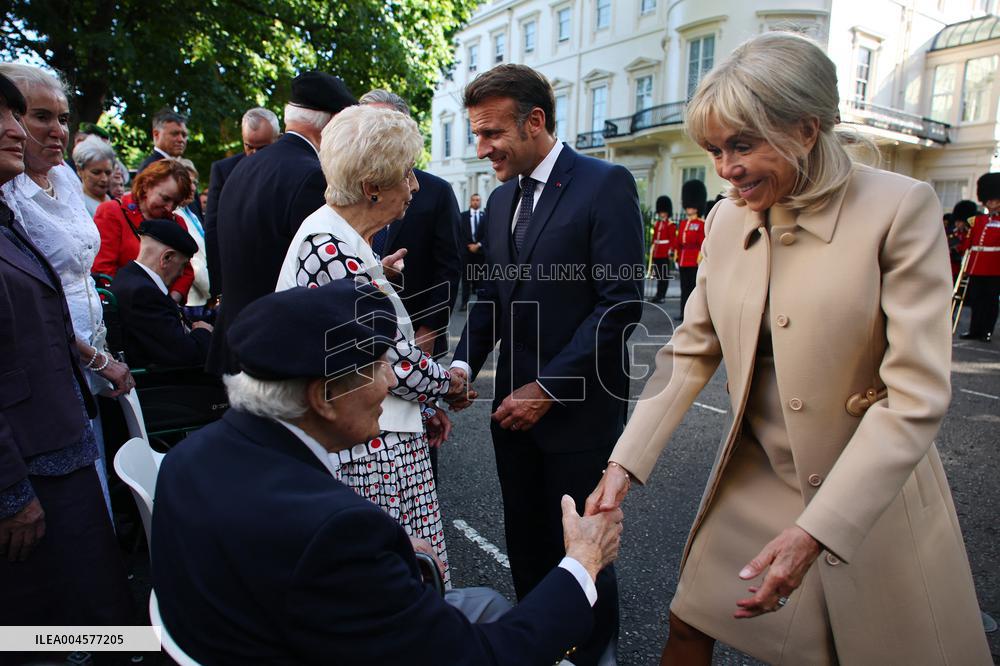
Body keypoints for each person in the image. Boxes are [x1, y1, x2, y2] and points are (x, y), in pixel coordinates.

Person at [585, 32, 992, 666]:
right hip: (757, 473)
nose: (725, 169)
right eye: (715, 150)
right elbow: (692, 351)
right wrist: (623, 466)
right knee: (688, 623)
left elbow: (917, 393)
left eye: (741, 145)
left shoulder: (899, 208)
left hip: (867, 484)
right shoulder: (724, 219)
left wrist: (816, 532)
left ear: (806, 128)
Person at [152, 279, 624, 665]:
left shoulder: (189, 459)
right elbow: (484, 658)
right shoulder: (337, 534)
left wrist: (391, 549)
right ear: (323, 397)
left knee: (481, 601)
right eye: (378, 367)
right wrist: (583, 562)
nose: (392, 382)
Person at [448, 63, 644, 666]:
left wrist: (548, 389)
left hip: (577, 416)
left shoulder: (605, 184)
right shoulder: (503, 199)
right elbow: (491, 298)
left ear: (535, 122)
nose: (481, 150)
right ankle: (541, 652)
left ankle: (594, 656)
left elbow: (620, 304)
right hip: (512, 414)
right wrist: (461, 366)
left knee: (582, 554)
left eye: (490, 134)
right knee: (527, 545)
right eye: (475, 135)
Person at [276, 104, 464, 583]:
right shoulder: (330, 246)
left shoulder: (344, 241)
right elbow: (391, 362)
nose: (415, 186)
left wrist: (423, 407)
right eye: (406, 174)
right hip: (367, 452)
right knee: (394, 588)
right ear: (372, 187)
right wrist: (450, 384)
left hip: (379, 439)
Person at [0, 71, 134, 646]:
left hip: (70, 386)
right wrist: (10, 490)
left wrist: (97, 362)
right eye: (34, 116)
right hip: (33, 422)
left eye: (62, 117)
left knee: (85, 556)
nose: (55, 131)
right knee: (47, 591)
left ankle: (100, 643)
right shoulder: (10, 196)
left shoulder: (56, 183)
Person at [207, 71, 356, 376]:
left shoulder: (242, 168)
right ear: (330, 123)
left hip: (234, 338)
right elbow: (319, 271)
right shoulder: (312, 176)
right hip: (275, 351)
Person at [359, 89, 462, 358]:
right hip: (356, 335)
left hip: (415, 335)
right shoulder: (344, 192)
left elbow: (448, 269)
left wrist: (430, 329)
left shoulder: (436, 191)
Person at [110, 219, 212, 368]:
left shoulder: (129, 278)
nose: (182, 273)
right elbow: (185, 355)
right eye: (183, 264)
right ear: (167, 258)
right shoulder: (143, 293)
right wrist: (203, 332)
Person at [92, 157, 195, 302]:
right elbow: (103, 270)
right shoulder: (113, 212)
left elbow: (186, 271)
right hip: (124, 308)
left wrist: (170, 302)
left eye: (176, 203)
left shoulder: (177, 222)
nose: (169, 208)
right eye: (165, 199)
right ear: (147, 185)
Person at [203, 106, 281, 297]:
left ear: (278, 139)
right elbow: (212, 228)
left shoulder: (289, 170)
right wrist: (218, 288)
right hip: (236, 278)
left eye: (262, 148)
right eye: (249, 147)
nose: (254, 155)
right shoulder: (223, 171)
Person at [957, 173, 1000, 342]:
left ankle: (986, 331)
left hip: (995, 268)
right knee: (976, 300)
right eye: (989, 200)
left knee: (990, 302)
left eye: (995, 200)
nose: (991, 203)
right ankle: (974, 330)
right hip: (977, 266)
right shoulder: (979, 220)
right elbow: (969, 242)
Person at [173, 157, 211, 315]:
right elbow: (193, 261)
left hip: (201, 296)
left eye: (195, 182)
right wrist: (212, 291)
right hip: (192, 298)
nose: (193, 187)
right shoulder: (175, 215)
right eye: (189, 182)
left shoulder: (191, 214)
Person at [676, 179, 706, 320]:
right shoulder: (683, 223)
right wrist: (676, 257)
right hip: (683, 260)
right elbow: (679, 243)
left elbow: (702, 243)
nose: (689, 208)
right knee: (684, 289)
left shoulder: (701, 224)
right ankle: (683, 312)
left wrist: (699, 260)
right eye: (688, 206)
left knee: (693, 290)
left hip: (694, 260)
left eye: (691, 206)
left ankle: (692, 315)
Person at [72, 135, 116, 216]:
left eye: (108, 172)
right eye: (96, 172)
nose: (104, 179)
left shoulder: (111, 200)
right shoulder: (77, 205)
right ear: (79, 170)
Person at [458, 192, 487, 310]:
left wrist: (478, 245)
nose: (476, 202)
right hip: (466, 252)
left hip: (480, 253)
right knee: (466, 279)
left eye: (478, 200)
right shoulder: (462, 216)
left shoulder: (485, 216)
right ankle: (464, 303)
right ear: (470, 201)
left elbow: (489, 233)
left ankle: (480, 305)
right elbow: (459, 234)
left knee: (480, 279)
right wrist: (468, 246)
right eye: (474, 200)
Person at [137, 108, 188, 173]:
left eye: (184, 135)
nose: (181, 139)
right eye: (174, 134)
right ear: (156, 134)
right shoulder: (151, 168)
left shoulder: (178, 166)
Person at [649, 195, 676, 304]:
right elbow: (654, 238)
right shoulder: (657, 224)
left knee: (664, 276)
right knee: (658, 275)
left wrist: (671, 251)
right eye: (660, 212)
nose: (662, 213)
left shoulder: (670, 225)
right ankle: (658, 294)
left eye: (663, 212)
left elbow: (672, 239)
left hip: (664, 253)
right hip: (657, 253)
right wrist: (652, 248)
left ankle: (662, 296)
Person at [949, 199, 978, 281]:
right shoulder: (954, 234)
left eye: (959, 221)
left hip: (965, 269)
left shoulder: (971, 233)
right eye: (956, 221)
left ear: (965, 221)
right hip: (953, 269)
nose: (956, 224)